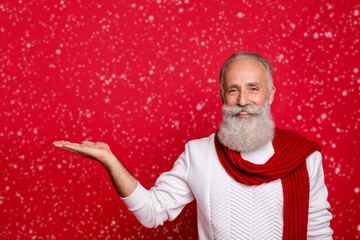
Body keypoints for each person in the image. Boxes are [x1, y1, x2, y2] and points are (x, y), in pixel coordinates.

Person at [53, 52, 333, 239]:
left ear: (270, 95)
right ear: (223, 96)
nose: (243, 100)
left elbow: (318, 232)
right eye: (233, 90)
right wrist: (111, 162)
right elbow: (152, 212)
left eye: (253, 88)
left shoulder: (303, 156)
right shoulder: (198, 153)